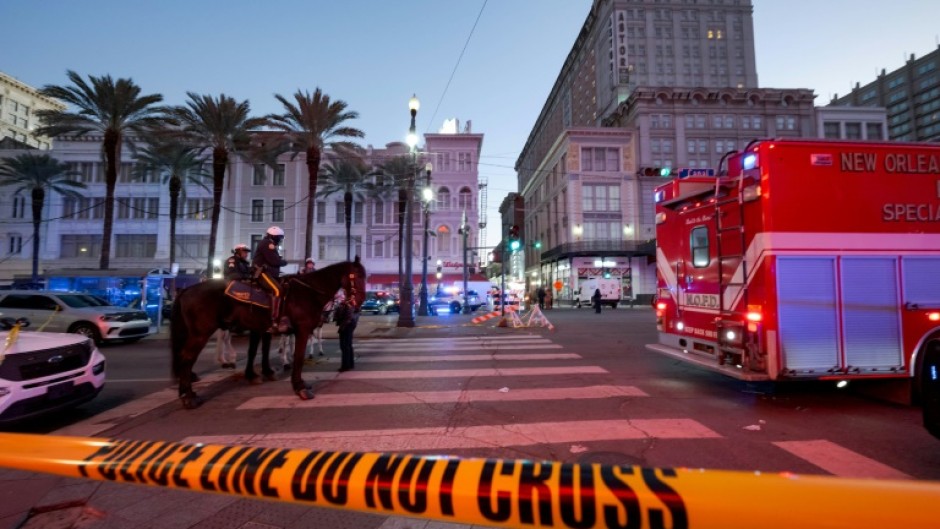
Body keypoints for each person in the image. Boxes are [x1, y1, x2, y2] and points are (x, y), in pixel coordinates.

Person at [217, 243, 251, 369]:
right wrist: (246, 276)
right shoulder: (232, 261)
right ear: (238, 252)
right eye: (245, 252)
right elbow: (232, 275)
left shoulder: (246, 263)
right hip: (232, 288)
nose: (246, 254)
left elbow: (248, 273)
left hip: (242, 286)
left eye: (247, 252)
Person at [253, 226, 289, 334]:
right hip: (261, 273)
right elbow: (274, 261)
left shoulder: (270, 244)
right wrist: (283, 261)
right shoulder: (267, 244)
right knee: (278, 290)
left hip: (270, 273)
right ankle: (274, 319)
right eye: (279, 238)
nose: (280, 240)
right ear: (274, 236)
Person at [334, 296, 360, 372]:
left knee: (344, 346)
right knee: (348, 345)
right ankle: (350, 364)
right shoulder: (352, 304)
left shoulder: (347, 304)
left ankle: (345, 365)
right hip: (349, 325)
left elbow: (345, 316)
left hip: (346, 326)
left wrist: (338, 311)